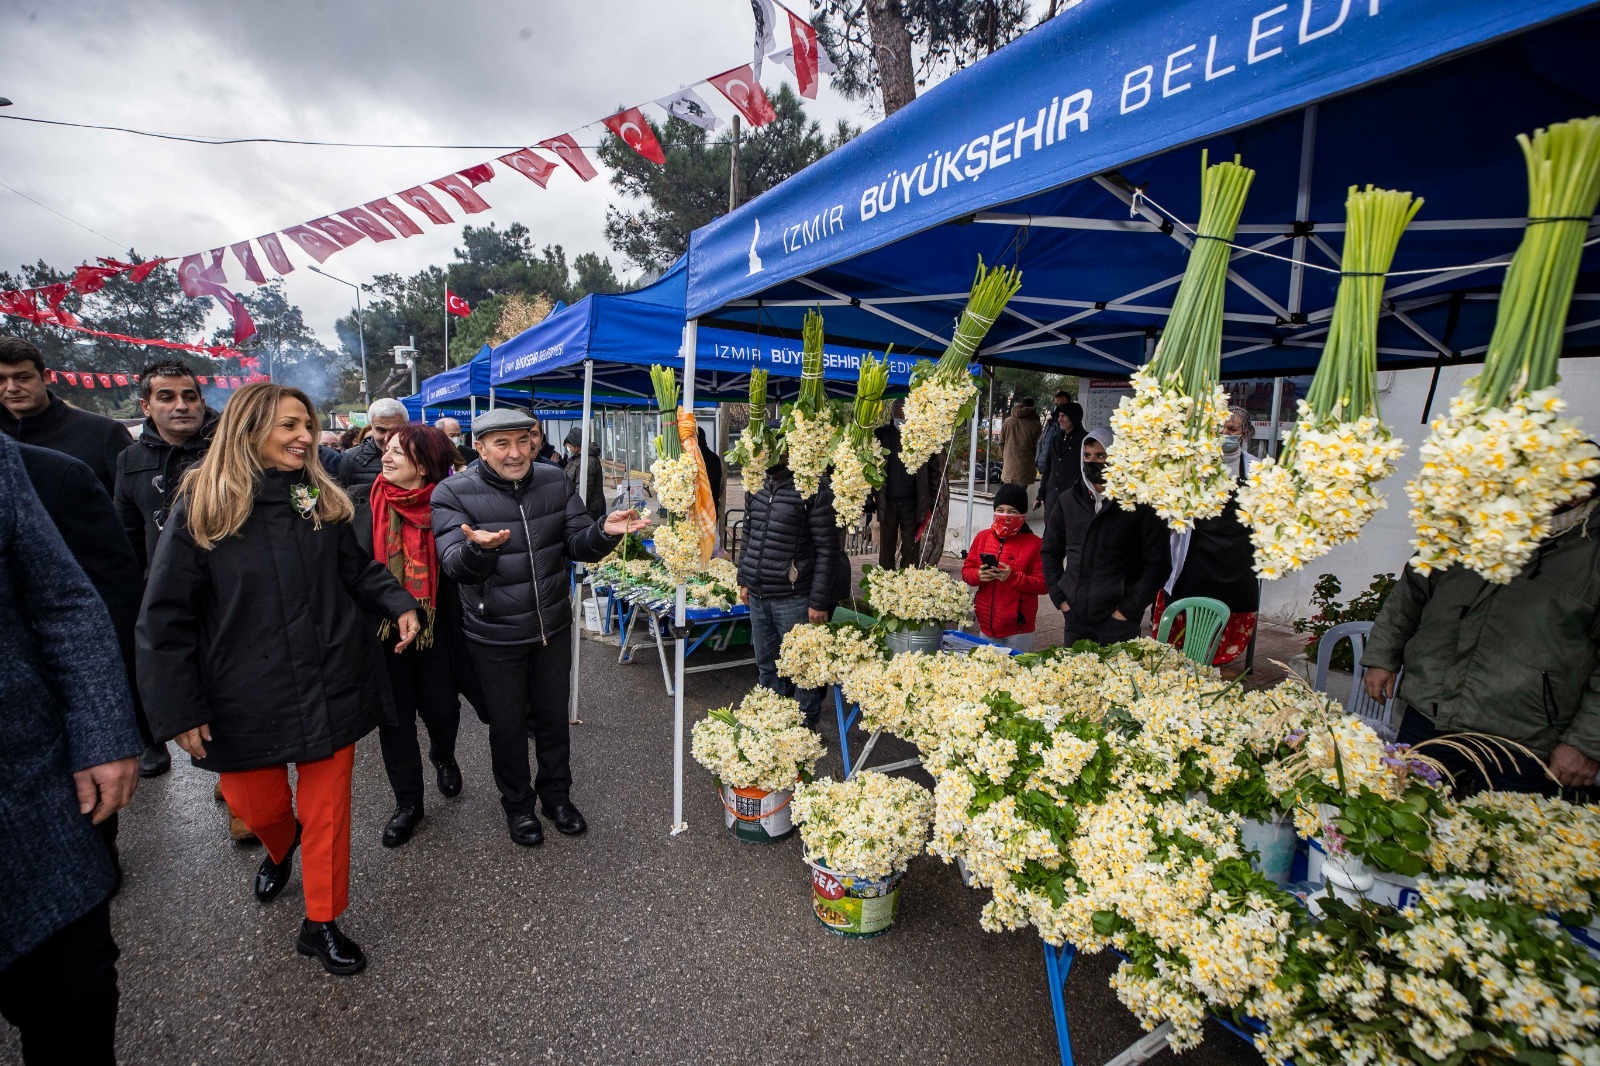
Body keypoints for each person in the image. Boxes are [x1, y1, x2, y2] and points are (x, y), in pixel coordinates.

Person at [137, 382, 422, 976]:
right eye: (289, 425)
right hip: (241, 695)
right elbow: (164, 616)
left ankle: (322, 921)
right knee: (258, 806)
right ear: (248, 429)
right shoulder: (204, 508)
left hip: (330, 681)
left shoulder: (318, 499)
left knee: (329, 812)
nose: (304, 437)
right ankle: (279, 842)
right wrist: (178, 708)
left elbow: (358, 569)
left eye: (307, 425)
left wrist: (398, 601)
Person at [432, 409, 647, 847]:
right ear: (480, 446)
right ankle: (518, 806)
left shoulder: (553, 480)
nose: (516, 453)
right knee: (508, 726)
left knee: (552, 719)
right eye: (502, 444)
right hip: (495, 634)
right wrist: (481, 553)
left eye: (524, 441)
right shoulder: (452, 492)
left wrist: (604, 531)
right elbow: (454, 565)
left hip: (551, 626)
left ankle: (557, 798)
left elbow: (576, 543)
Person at [0, 433, 141, 1066]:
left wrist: (107, 730)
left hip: (27, 781)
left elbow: (70, 600)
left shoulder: (22, 465)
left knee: (73, 991)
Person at [1363, 480, 1600, 797]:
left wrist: (1585, 743)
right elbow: (1410, 595)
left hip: (1525, 738)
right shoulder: (1470, 524)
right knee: (1403, 819)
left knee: (1505, 839)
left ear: (1583, 490)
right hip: (1432, 715)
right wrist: (1381, 657)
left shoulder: (1591, 553)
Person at [348, 425, 472, 848]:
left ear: (424, 465)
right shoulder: (360, 502)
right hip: (381, 631)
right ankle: (408, 804)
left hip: (437, 629)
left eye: (400, 452)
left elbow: (463, 568)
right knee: (394, 719)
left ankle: (443, 754)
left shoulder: (448, 505)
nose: (387, 456)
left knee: (442, 709)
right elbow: (353, 570)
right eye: (388, 447)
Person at [738, 448, 849, 728]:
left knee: (803, 668)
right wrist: (744, 578)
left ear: (790, 450)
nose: (766, 453)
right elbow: (749, 534)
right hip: (760, 594)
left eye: (775, 448)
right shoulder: (756, 484)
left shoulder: (813, 487)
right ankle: (773, 724)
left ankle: (804, 729)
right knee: (767, 664)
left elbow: (828, 549)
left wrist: (819, 601)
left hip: (794, 597)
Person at [1041, 426, 1169, 646]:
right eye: (1087, 456)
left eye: (1101, 455)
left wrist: (1128, 609)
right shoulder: (1068, 501)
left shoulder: (1139, 504)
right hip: (1075, 617)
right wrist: (1061, 599)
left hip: (1118, 621)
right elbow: (1050, 552)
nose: (1093, 462)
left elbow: (1158, 563)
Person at [1153, 406, 1261, 666]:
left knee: (1228, 623)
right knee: (1185, 625)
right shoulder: (1193, 467)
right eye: (1218, 429)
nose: (1224, 434)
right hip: (1196, 561)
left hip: (1237, 562)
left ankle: (1212, 671)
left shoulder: (1258, 471)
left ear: (1244, 433)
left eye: (1231, 429)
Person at [0, 336, 131, 494]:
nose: (12, 388)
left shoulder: (104, 432)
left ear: (46, 376)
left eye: (22, 378)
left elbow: (131, 505)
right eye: (1, 380)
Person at [961, 483, 1046, 653]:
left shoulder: (1035, 544)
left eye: (1012, 511)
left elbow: (1043, 584)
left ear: (1022, 515)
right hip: (986, 625)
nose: (1005, 515)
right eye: (1000, 509)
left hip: (1019, 629)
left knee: (1016, 671)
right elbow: (966, 571)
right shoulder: (982, 537)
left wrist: (1014, 577)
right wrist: (978, 575)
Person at [869, 400, 931, 569]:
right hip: (887, 500)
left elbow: (933, 471)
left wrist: (930, 500)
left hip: (912, 501)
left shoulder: (920, 437)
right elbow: (869, 467)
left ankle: (907, 581)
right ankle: (885, 579)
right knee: (887, 544)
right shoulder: (881, 435)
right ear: (892, 415)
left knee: (910, 545)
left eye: (905, 415)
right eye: (899, 415)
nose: (902, 419)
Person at [338, 397, 409, 490]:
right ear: (371, 427)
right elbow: (342, 498)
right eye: (381, 430)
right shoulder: (351, 458)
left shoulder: (419, 454)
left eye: (395, 431)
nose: (387, 438)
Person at [1036, 401, 1087, 518]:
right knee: (1050, 529)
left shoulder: (1085, 440)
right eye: (1059, 416)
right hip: (1052, 497)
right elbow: (1048, 468)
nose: (1059, 419)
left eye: (1063, 416)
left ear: (1073, 417)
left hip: (1072, 496)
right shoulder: (1056, 439)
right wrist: (1041, 494)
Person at [999, 396, 1043, 511]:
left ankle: (1005, 518)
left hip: (1008, 466)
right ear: (1032, 407)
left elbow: (1001, 442)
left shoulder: (1008, 421)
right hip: (1025, 467)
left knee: (1006, 496)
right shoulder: (1036, 424)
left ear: (1020, 405)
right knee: (1020, 497)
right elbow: (1038, 447)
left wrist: (1005, 457)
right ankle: (1017, 518)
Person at [563, 426, 605, 521]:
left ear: (577, 445)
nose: (568, 449)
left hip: (587, 513)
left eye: (569, 446)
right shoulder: (580, 459)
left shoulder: (587, 461)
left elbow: (583, 490)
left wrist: (574, 509)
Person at [1034, 388, 1074, 473]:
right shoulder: (1051, 422)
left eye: (1062, 404)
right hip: (1044, 468)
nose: (1058, 407)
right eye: (1056, 404)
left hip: (1058, 470)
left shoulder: (1070, 424)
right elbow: (1041, 442)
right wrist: (1037, 459)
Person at [696, 424, 725, 519]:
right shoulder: (715, 458)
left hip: (695, 515)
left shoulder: (690, 458)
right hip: (712, 511)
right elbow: (721, 487)